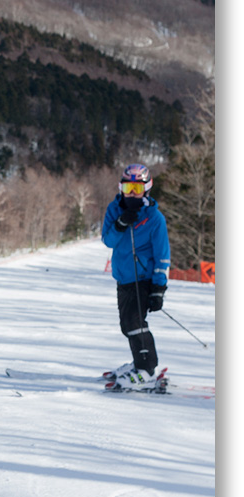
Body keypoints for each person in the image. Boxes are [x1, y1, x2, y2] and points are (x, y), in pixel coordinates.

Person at [101, 163, 171, 390]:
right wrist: (121, 224)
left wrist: (159, 288)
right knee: (127, 325)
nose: (132, 193)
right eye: (128, 187)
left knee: (134, 323)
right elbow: (108, 240)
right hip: (123, 278)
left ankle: (147, 368)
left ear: (147, 189)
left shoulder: (155, 219)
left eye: (137, 189)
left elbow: (162, 256)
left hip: (144, 280)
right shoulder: (115, 209)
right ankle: (138, 362)